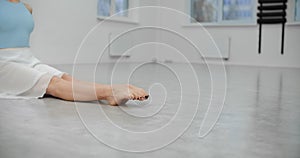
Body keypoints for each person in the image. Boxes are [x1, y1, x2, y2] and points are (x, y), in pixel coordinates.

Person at [0, 0, 149, 105]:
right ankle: (110, 92)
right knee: (54, 84)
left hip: (27, 59)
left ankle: (110, 89)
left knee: (65, 77)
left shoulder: (27, 8)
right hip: (3, 63)